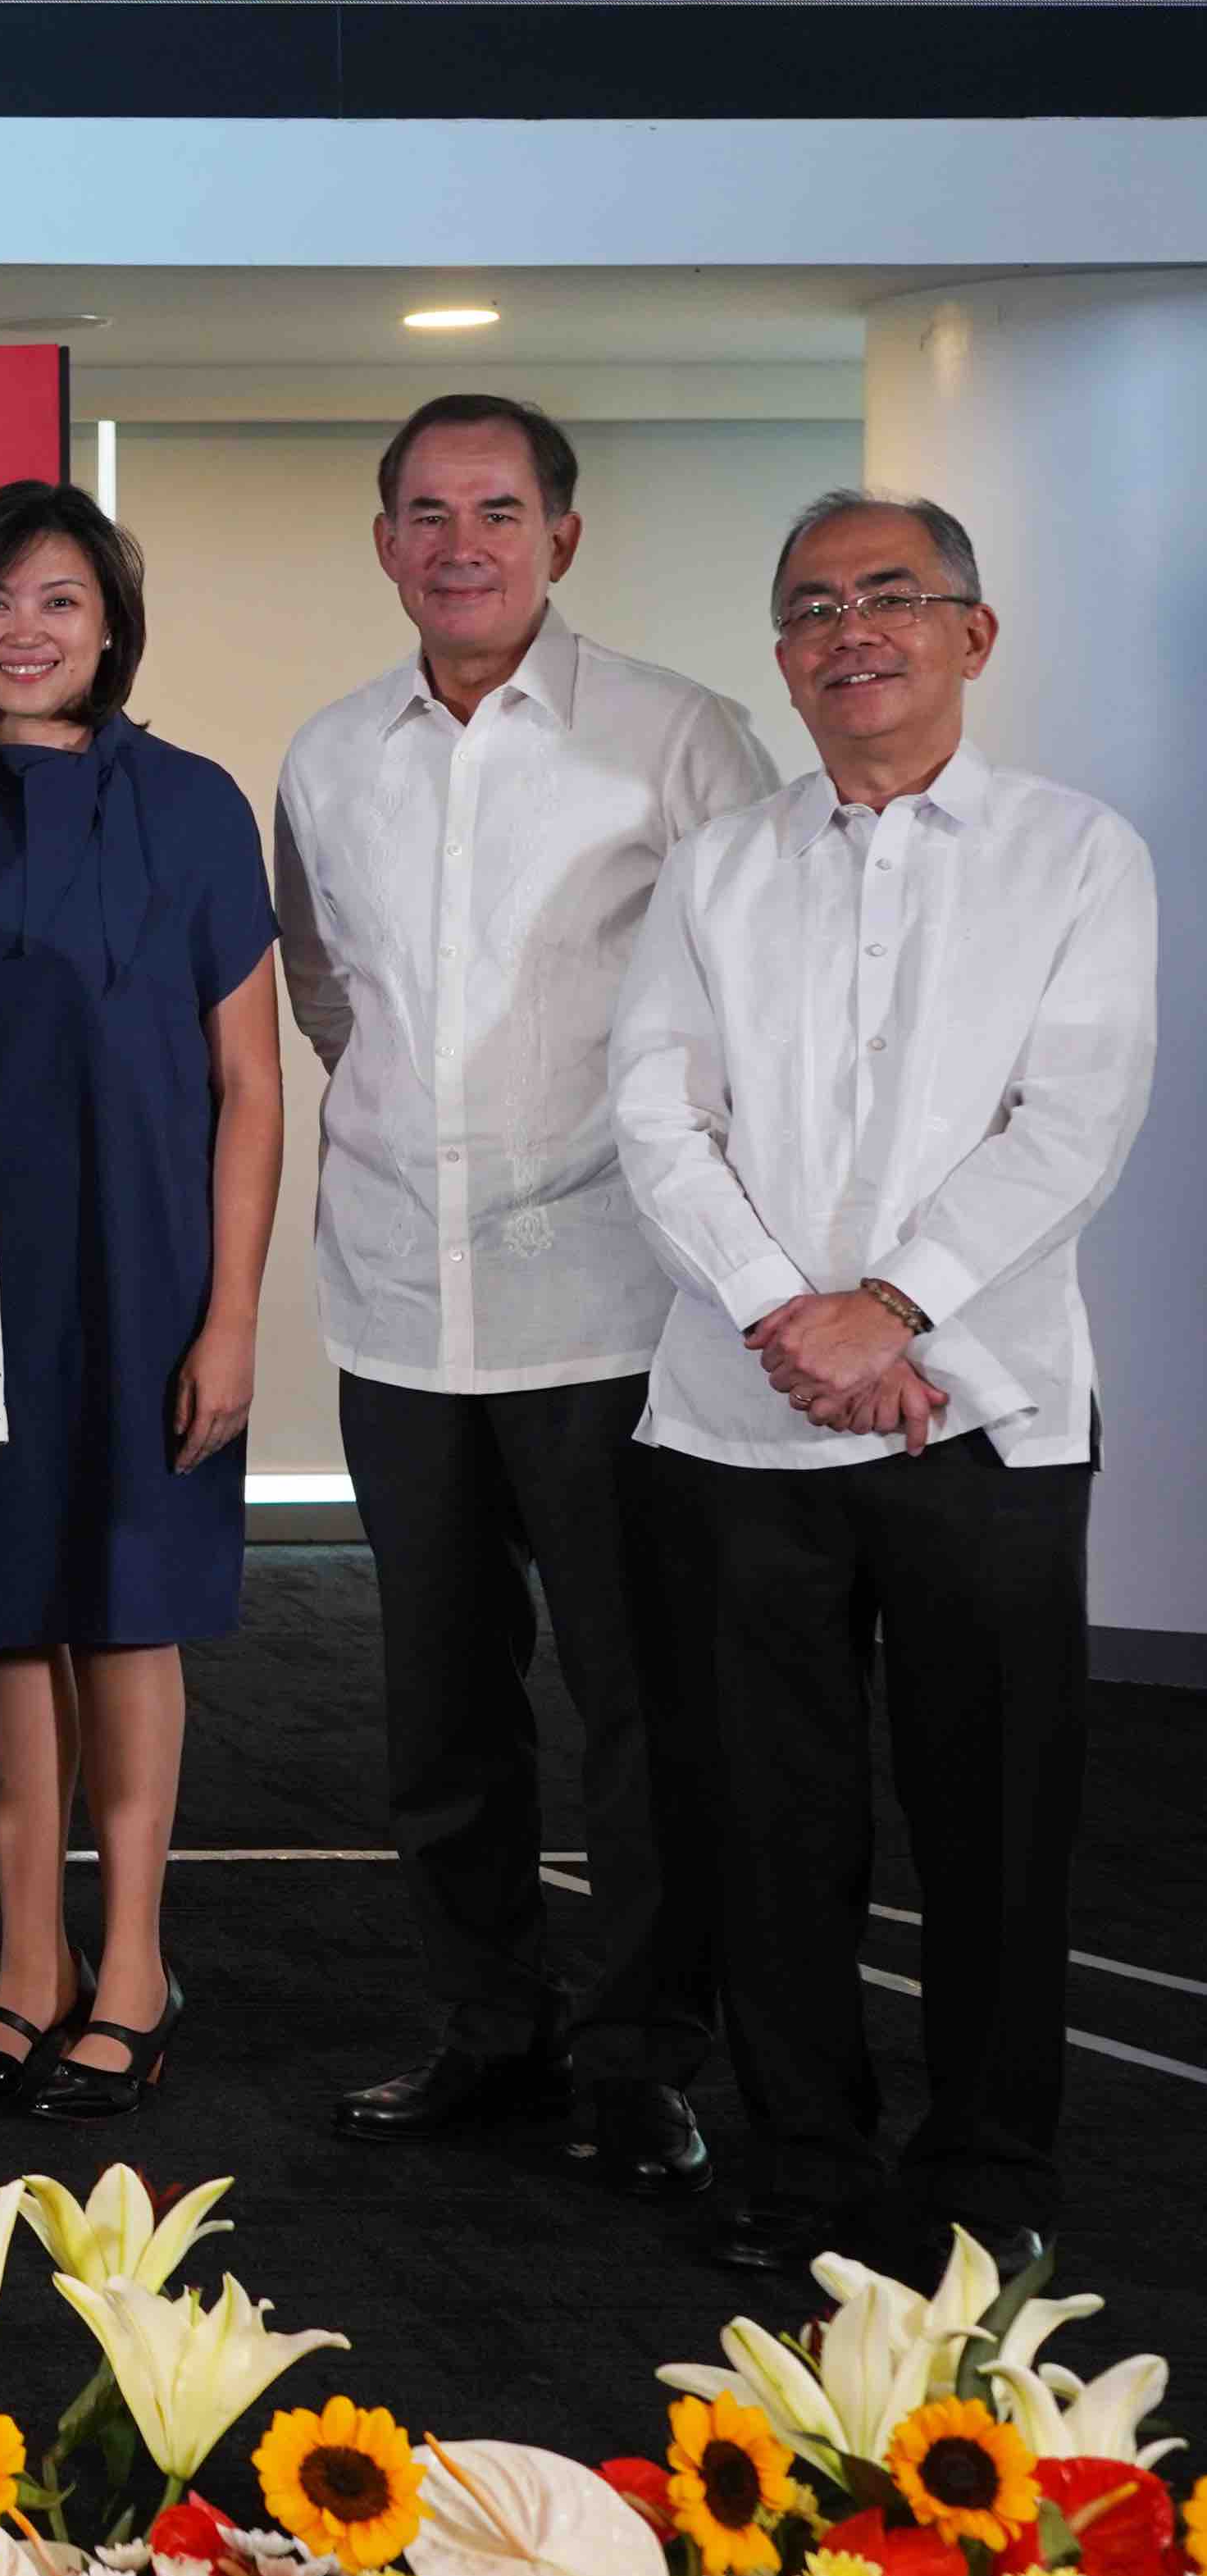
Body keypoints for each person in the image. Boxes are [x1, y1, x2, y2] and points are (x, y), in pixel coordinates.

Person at [613, 490, 1154, 2276]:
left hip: (981, 1410)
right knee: (766, 1819)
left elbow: (1070, 1120)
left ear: (970, 634)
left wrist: (894, 1309)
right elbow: (654, 1114)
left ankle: (989, 2170)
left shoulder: (1078, 853)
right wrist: (791, 1312)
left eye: (889, 599)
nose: (849, 632)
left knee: (994, 1814)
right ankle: (802, 2164)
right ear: (779, 656)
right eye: (809, 609)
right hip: (736, 1410)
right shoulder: (717, 866)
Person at [273, 396, 778, 2199]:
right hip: (402, 1299)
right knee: (437, 1711)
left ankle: (644, 2054)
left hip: (621, 1300)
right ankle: (486, 2027)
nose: (459, 541)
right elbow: (327, 993)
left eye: (496, 508)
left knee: (644, 1709)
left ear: (562, 534)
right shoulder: (329, 757)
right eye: (425, 511)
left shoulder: (678, 740)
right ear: (385, 538)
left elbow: (759, 998)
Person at [0, 481, 279, 2122]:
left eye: (53, 599)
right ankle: (23, 1966)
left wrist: (231, 1314)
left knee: (129, 1608)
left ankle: (131, 1968)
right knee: (4, 1620)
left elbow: (250, 1083)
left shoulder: (191, 805)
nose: (20, 631)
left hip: (153, 1267)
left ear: (109, 621)